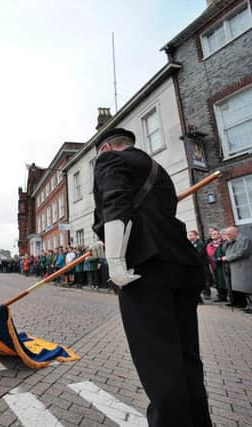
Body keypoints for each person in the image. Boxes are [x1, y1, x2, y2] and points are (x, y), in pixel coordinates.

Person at [90, 127, 211, 426]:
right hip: (183, 265)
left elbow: (114, 203)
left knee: (159, 363)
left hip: (146, 268)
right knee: (186, 359)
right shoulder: (158, 171)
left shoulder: (109, 162)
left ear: (106, 149)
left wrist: (115, 261)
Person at [221, 226, 252, 312]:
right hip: (236, 268)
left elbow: (242, 252)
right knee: (244, 288)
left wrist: (228, 258)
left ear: (235, 232)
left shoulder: (244, 239)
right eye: (226, 234)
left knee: (248, 287)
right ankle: (248, 305)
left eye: (229, 234)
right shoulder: (231, 241)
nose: (227, 235)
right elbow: (224, 249)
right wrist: (227, 242)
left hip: (245, 267)